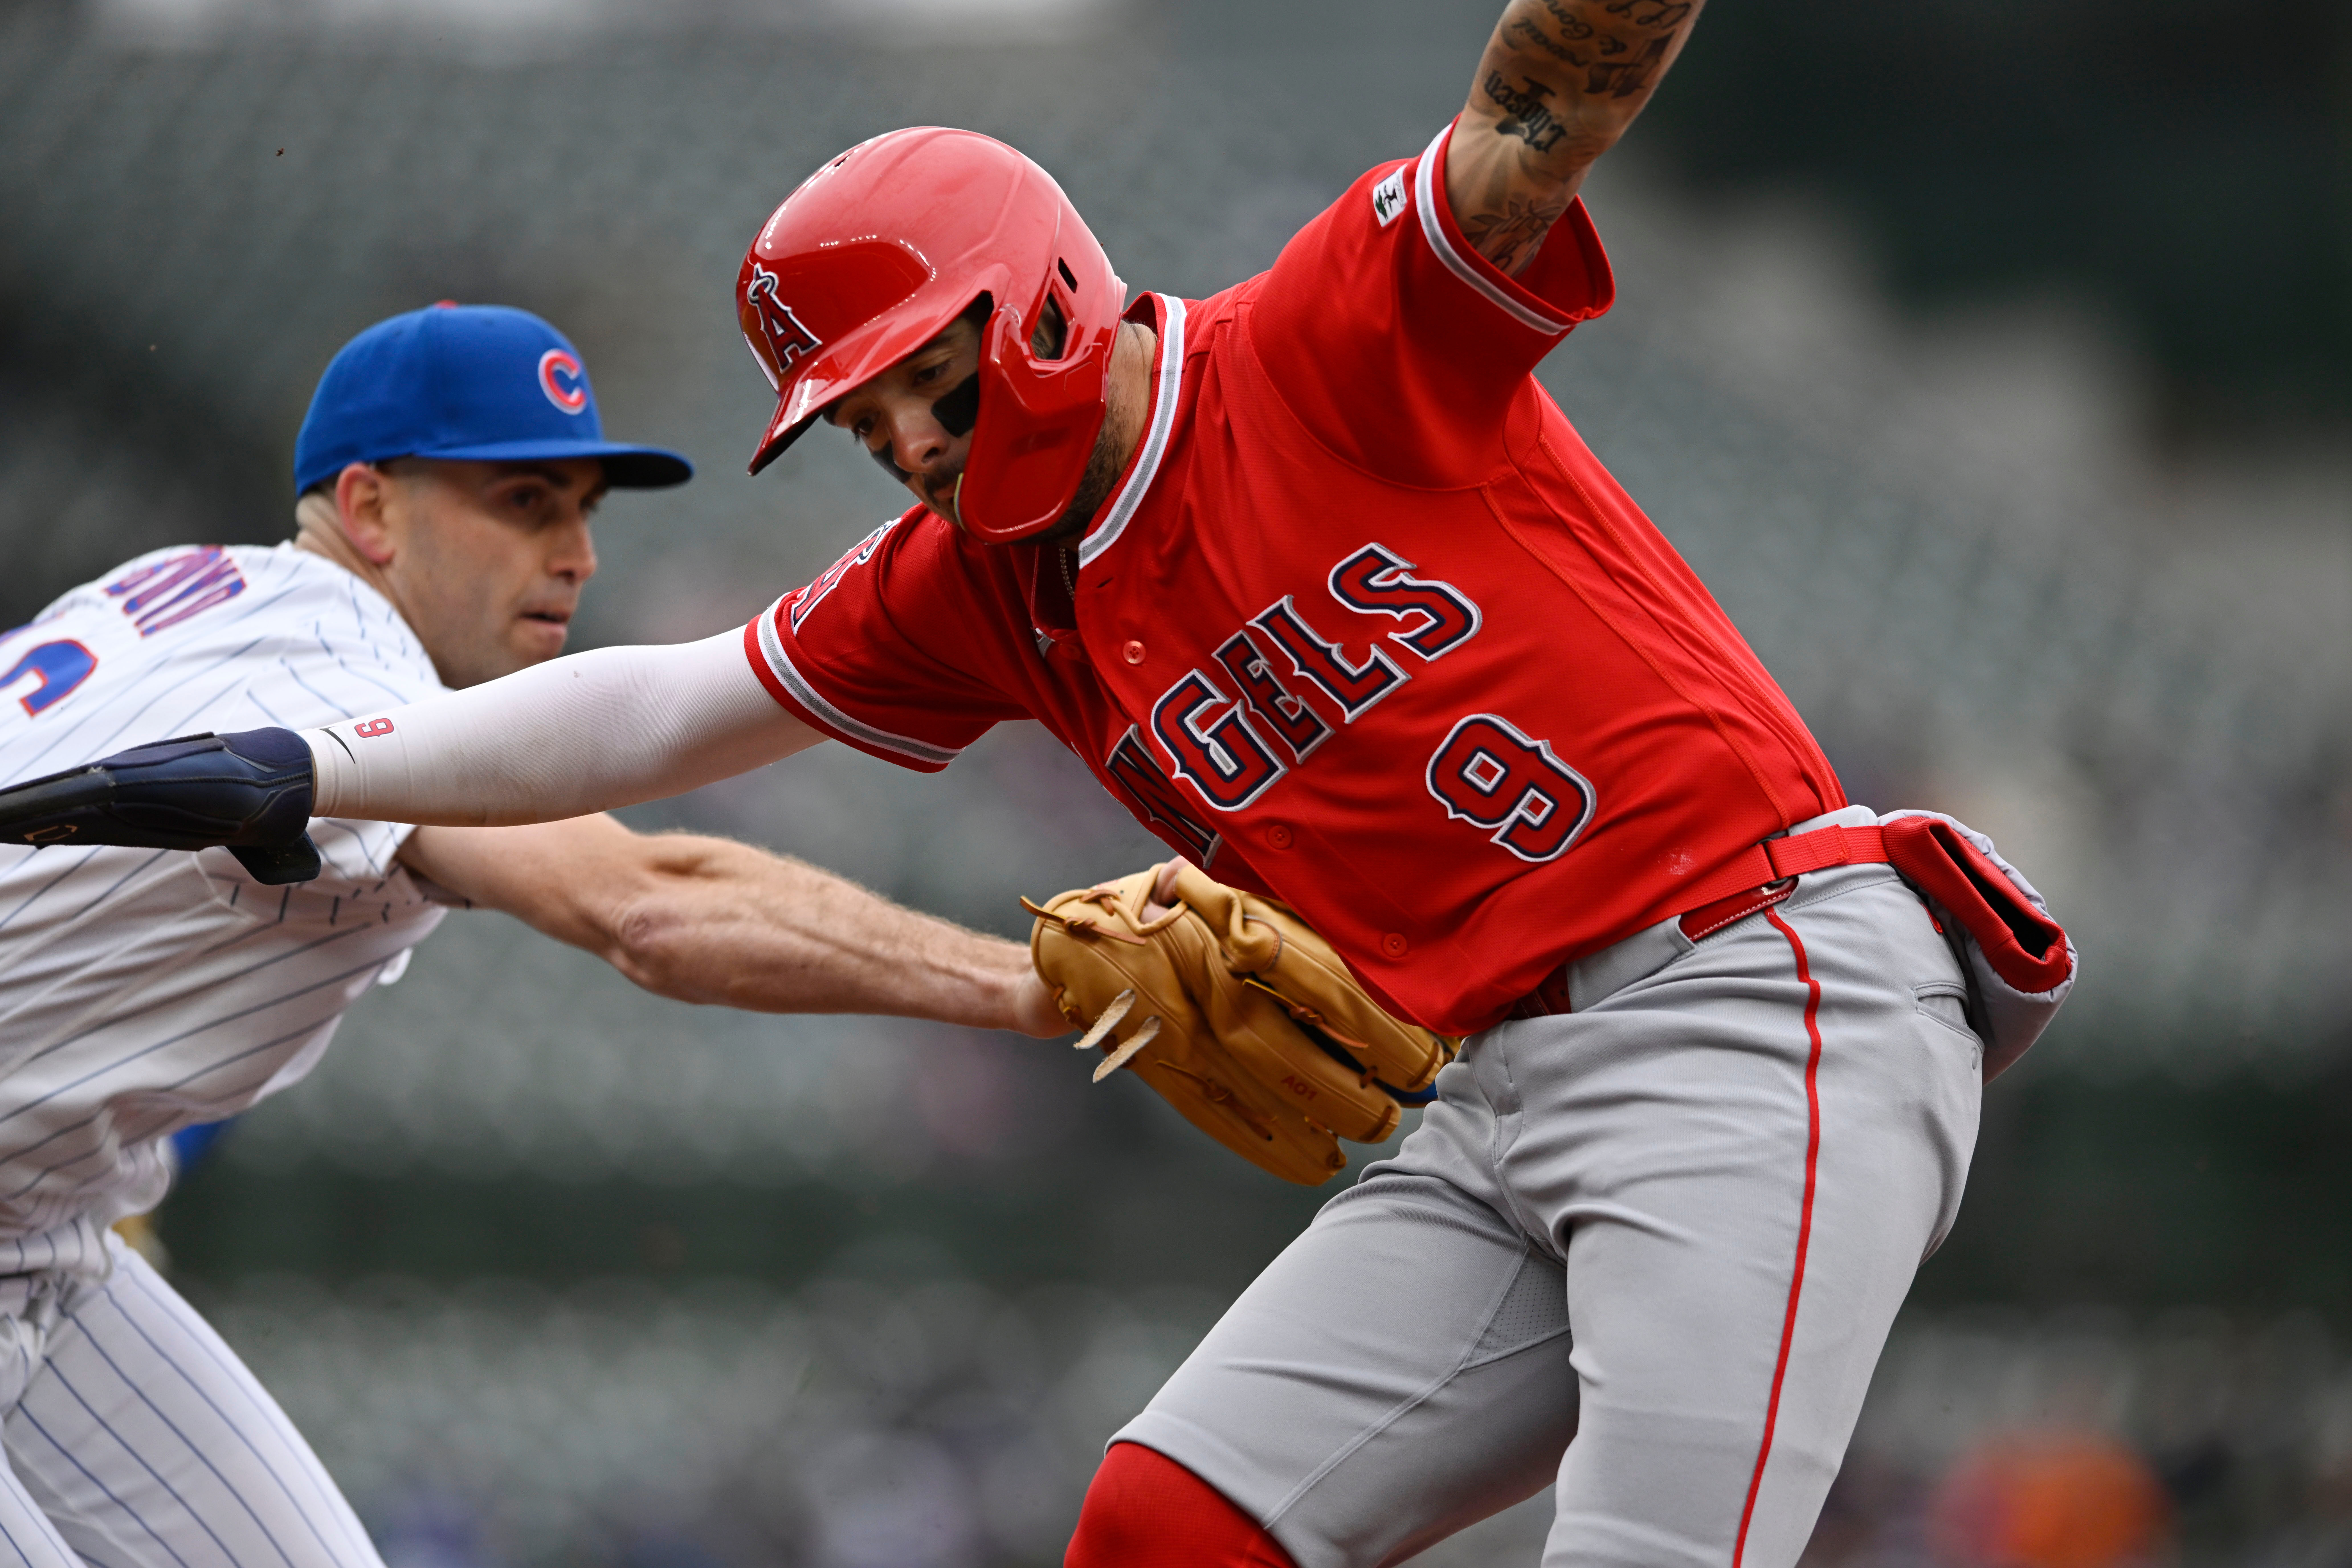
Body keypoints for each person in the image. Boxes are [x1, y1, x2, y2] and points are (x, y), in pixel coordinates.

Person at [0, 0, 2082, 1561]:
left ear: (1053, 287)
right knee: (1165, 1525)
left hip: (1751, 990)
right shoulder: (972, 589)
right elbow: (653, 717)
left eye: (930, 370)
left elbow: (1523, 131)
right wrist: (322, 765)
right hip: (1496, 1088)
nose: (907, 438)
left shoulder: (1322, 345)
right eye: (865, 415)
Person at [0, 302, 1057, 1568]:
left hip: (39, 1232)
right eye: (524, 502)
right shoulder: (342, 681)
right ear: (372, 510)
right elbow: (652, 903)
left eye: (585, 510)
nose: (576, 555)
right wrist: (1033, 983)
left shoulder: (174, 593)